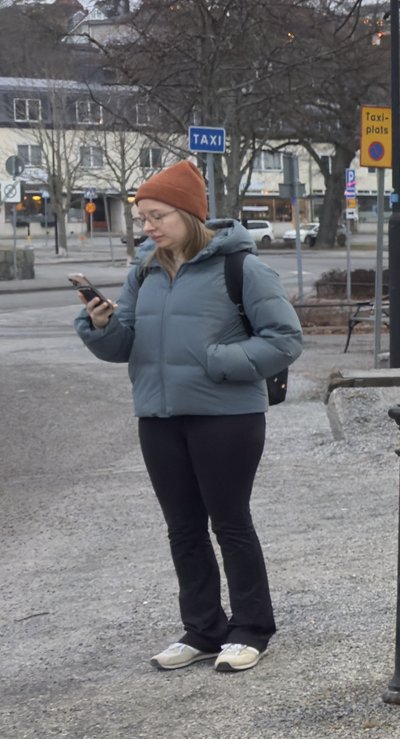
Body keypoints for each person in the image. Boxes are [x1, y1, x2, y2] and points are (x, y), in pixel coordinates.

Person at [74, 159, 304, 673]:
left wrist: (219, 361)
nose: (148, 226)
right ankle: (203, 628)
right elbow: (123, 346)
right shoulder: (144, 272)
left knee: (230, 523)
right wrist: (100, 326)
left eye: (158, 215)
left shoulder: (240, 266)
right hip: (158, 415)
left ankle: (250, 629)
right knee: (182, 528)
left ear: (189, 214)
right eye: (143, 218)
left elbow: (285, 339)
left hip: (226, 415)